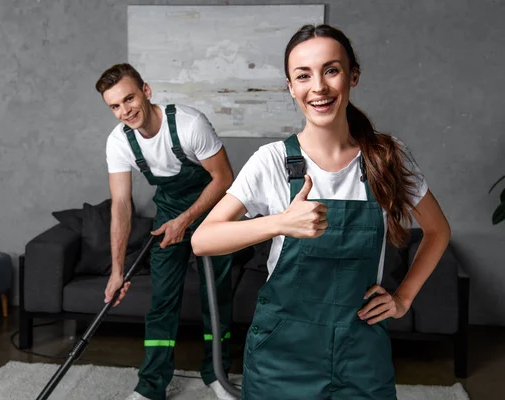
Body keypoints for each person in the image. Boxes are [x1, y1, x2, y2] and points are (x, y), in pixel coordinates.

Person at [191, 24, 451, 400]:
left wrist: (403, 298)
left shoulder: (385, 156)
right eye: (303, 75)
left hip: (360, 350)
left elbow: (438, 231)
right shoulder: (273, 161)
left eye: (331, 70)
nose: (319, 87)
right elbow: (203, 240)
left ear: (353, 75)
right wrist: (281, 222)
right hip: (281, 355)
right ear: (291, 87)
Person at [96, 63, 237, 400]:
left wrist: (187, 221)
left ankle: (216, 374)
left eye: (129, 99)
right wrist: (117, 271)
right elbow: (121, 205)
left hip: (215, 211)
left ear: (146, 91)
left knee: (215, 298)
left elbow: (224, 179)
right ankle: (151, 385)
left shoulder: (189, 124)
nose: (124, 111)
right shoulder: (119, 142)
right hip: (169, 214)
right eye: (115, 106)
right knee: (162, 301)